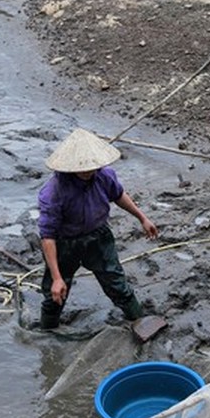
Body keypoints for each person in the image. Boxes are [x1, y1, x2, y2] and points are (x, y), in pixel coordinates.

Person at [36, 128, 159, 330]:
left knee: (117, 282)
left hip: (98, 238)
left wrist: (142, 218)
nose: (87, 171)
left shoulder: (104, 176)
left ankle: (139, 321)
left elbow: (118, 195)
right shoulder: (54, 191)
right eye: (82, 167)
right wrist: (57, 277)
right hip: (65, 244)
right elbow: (47, 236)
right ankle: (47, 331)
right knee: (54, 293)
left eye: (92, 166)